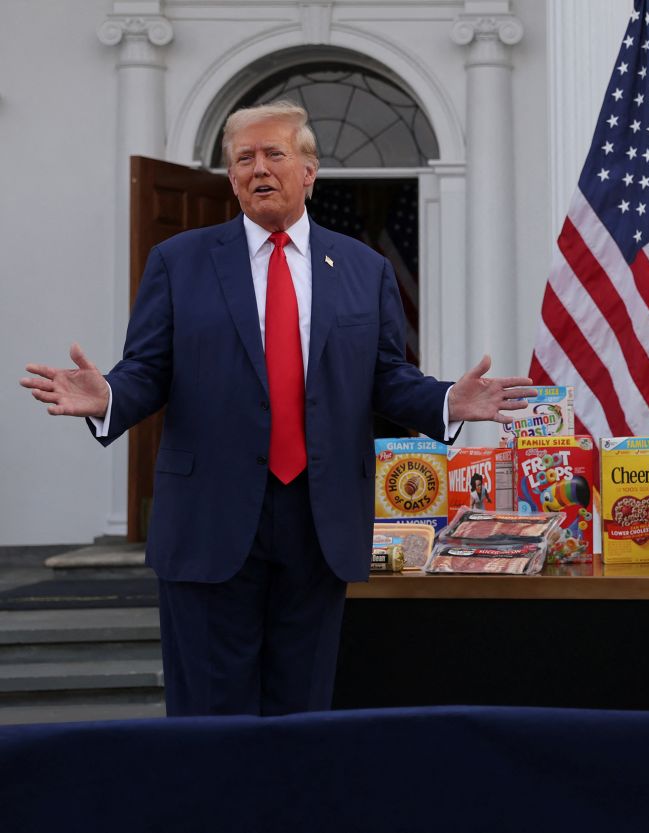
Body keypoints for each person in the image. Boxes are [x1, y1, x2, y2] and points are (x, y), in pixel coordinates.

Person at [20, 101, 535, 716]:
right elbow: (148, 370)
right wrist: (108, 396)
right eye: (244, 158)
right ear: (231, 176)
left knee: (303, 716)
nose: (258, 168)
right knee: (210, 719)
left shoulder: (364, 269)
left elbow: (386, 378)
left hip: (319, 522)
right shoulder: (179, 262)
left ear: (309, 171)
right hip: (209, 519)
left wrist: (448, 399)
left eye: (274, 154)